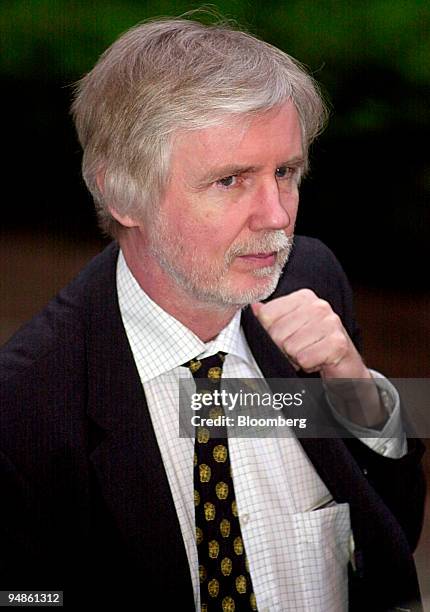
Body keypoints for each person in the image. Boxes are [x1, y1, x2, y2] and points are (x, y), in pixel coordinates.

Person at [0, 16, 426, 612]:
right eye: (231, 180)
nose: (277, 216)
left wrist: (354, 388)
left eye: (285, 172)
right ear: (123, 195)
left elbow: (392, 525)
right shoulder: (25, 406)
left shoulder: (309, 278)